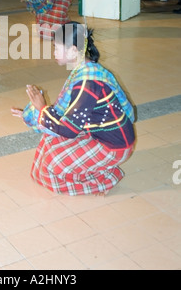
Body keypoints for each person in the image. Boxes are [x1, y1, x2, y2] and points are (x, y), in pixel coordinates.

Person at [11, 21, 136, 196]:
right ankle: (97, 170)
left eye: (56, 47)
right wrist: (32, 113)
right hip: (102, 136)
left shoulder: (87, 83)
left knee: (49, 173)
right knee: (49, 142)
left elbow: (68, 130)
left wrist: (42, 108)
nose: (53, 52)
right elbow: (65, 117)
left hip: (113, 147)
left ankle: (106, 180)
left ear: (72, 51)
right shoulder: (86, 69)